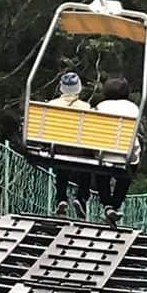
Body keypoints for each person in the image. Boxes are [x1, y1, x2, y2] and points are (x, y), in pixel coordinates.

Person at [92, 76, 143, 224]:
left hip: (103, 153)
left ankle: (107, 204)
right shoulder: (133, 108)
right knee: (126, 175)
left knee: (102, 172)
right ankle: (114, 205)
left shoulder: (101, 106)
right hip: (126, 155)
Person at [49, 71, 92, 216]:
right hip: (79, 150)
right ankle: (81, 198)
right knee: (87, 167)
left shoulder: (51, 105)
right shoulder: (85, 107)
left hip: (57, 148)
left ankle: (61, 199)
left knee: (62, 168)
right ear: (78, 88)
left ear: (61, 88)